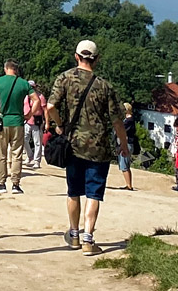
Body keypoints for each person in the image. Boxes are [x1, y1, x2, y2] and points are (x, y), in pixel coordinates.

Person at [46, 38, 130, 256]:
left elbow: (51, 106)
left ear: (76, 57)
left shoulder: (64, 78)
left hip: (73, 144)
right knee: (94, 193)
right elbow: (117, 121)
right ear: (96, 59)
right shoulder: (104, 86)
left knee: (73, 191)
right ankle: (88, 239)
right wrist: (124, 145)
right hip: (99, 147)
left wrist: (60, 125)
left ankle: (73, 235)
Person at [0, 59, 30, 194]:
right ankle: (15, 184)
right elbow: (36, 100)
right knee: (17, 154)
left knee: (1, 154)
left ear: (5, 68)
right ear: (16, 69)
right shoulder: (23, 83)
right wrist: (28, 115)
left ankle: (1, 183)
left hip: (2, 121)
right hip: (18, 121)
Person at [23, 83, 48, 167]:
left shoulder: (40, 97)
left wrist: (47, 122)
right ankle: (30, 156)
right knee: (24, 140)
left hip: (37, 121)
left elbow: (45, 110)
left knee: (37, 142)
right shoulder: (25, 97)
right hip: (26, 121)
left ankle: (37, 160)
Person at [114, 103, 135, 190]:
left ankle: (129, 185)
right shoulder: (128, 120)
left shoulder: (129, 121)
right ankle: (128, 184)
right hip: (125, 143)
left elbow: (122, 130)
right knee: (125, 164)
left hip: (126, 144)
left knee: (124, 165)